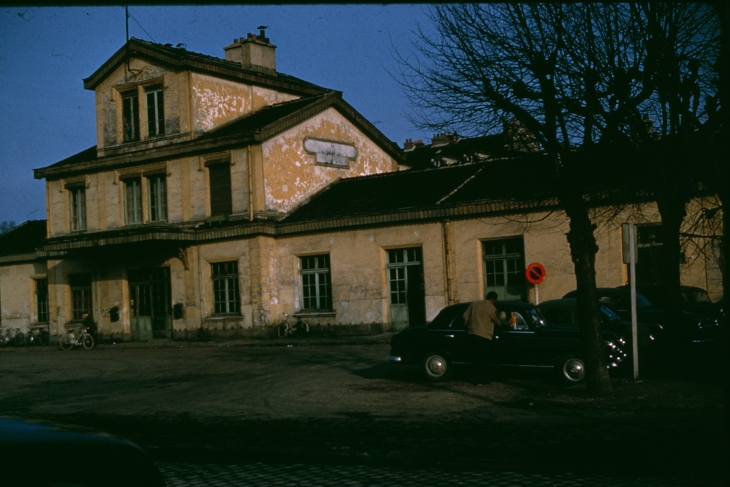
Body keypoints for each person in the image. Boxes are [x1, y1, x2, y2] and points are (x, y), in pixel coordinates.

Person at [462, 291, 500, 383]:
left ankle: (476, 377)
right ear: (493, 299)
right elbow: (497, 320)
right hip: (484, 336)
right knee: (483, 358)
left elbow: (464, 316)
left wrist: (468, 326)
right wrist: (506, 323)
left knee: (476, 357)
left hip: (471, 334)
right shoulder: (491, 307)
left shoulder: (474, 304)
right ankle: (481, 379)